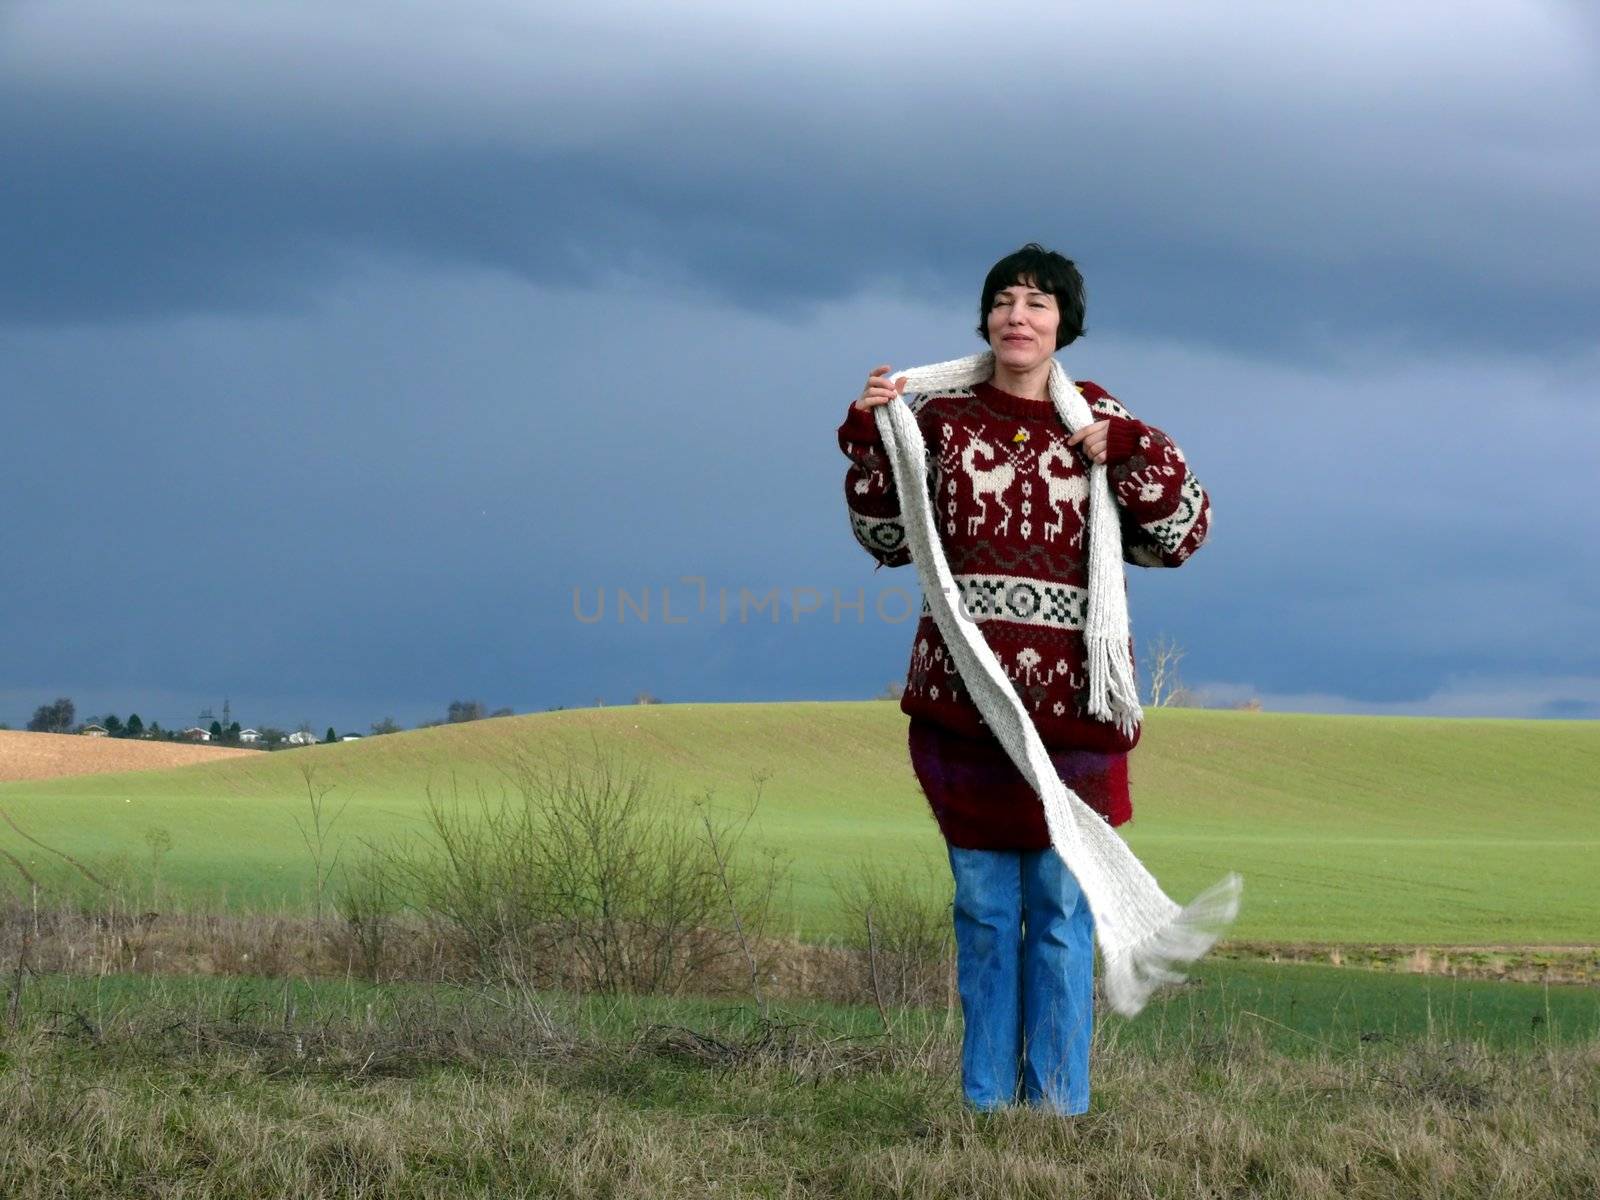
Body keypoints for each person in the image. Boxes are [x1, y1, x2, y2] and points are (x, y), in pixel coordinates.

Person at [835, 243, 1211, 1114]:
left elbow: (1182, 535)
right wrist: (871, 436)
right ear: (985, 319)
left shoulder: (1103, 418)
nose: (1019, 314)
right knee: (986, 916)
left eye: (1039, 302)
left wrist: (1133, 452)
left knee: (1062, 919)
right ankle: (984, 1109)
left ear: (1064, 324)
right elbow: (884, 538)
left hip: (1077, 715)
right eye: (1004, 299)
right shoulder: (937, 418)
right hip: (968, 709)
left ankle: (1058, 1110)